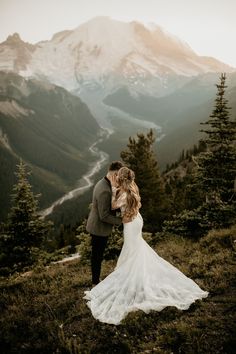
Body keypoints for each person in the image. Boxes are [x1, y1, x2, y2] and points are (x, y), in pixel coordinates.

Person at [84, 166, 208, 325]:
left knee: (132, 251)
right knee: (137, 250)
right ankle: (135, 276)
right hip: (137, 221)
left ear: (120, 179)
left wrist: (114, 191)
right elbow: (138, 205)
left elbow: (114, 206)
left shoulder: (122, 193)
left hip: (129, 224)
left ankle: (132, 279)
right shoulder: (133, 188)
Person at [86, 161, 124, 286]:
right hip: (98, 228)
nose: (120, 178)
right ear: (113, 173)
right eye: (118, 175)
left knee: (97, 255)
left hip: (98, 225)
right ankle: (95, 282)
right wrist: (121, 221)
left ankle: (95, 280)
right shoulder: (105, 190)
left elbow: (109, 207)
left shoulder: (104, 182)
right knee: (97, 256)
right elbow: (104, 216)